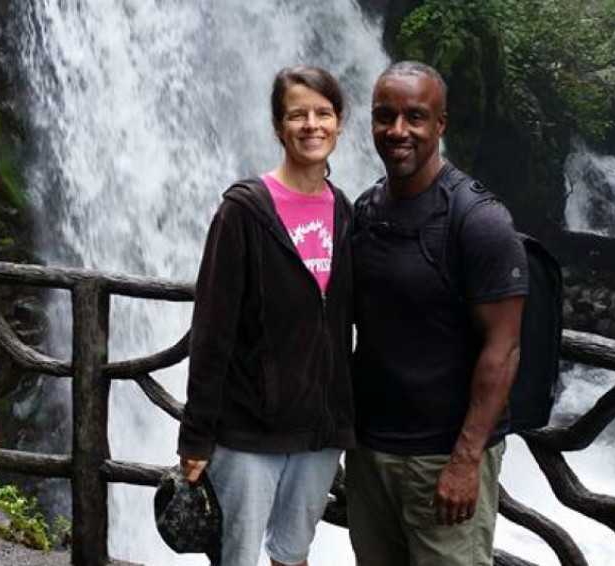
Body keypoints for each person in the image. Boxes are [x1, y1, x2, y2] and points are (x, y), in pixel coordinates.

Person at [347, 60, 528, 566]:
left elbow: (504, 348)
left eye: (415, 117)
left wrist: (466, 461)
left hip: (442, 458)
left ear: (440, 123)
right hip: (370, 453)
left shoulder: (479, 221)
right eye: (384, 116)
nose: (397, 130)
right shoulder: (365, 211)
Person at [177, 65, 355, 566]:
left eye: (323, 113)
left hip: (320, 430)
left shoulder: (344, 211)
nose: (311, 125)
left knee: (292, 555)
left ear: (339, 123)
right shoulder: (243, 211)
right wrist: (197, 433)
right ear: (279, 126)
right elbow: (212, 330)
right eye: (297, 115)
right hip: (250, 428)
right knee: (237, 558)